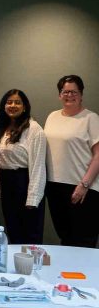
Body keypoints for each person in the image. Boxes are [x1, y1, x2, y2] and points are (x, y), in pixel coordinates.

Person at [44, 75, 99, 248]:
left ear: (81, 94)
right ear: (59, 95)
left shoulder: (90, 118)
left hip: (83, 187)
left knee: (83, 241)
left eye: (74, 92)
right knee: (66, 238)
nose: (69, 95)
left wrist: (84, 185)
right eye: (65, 91)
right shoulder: (52, 116)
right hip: (55, 186)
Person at [0, 89, 46, 244]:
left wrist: (33, 198)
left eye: (17, 102)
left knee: (29, 235)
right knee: (13, 232)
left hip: (25, 183)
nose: (12, 105)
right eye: (9, 102)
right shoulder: (1, 128)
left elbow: (38, 166)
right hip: (7, 184)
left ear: (25, 107)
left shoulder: (34, 129)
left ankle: (31, 261)